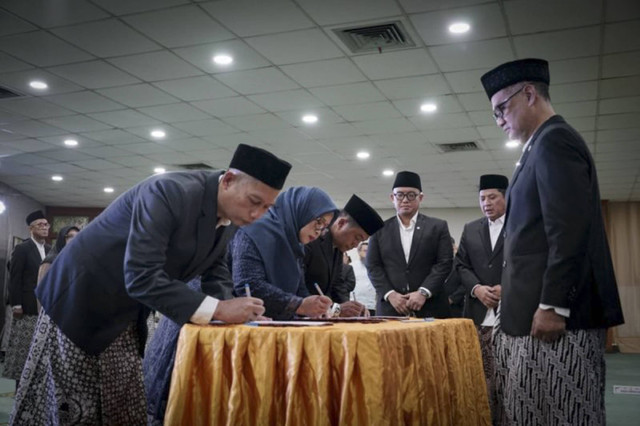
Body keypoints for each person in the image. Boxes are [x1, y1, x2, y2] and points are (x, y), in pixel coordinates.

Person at [10, 144, 292, 425]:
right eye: (254, 202)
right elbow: (141, 275)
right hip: (79, 302)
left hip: (126, 311)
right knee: (76, 405)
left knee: (124, 400)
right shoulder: (168, 191)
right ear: (228, 180)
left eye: (267, 207)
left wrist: (234, 315)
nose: (258, 215)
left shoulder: (230, 216)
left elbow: (215, 270)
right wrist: (219, 309)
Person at [480, 58, 624, 425]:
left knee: (561, 412)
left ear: (529, 93)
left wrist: (553, 305)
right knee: (530, 411)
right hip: (529, 315)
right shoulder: (535, 147)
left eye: (502, 109)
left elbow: (569, 231)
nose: (498, 120)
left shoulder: (555, 141)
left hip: (556, 320)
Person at [229, 186, 337, 320]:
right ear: (301, 209)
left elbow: (298, 287)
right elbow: (248, 283)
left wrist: (315, 306)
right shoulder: (255, 229)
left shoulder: (295, 244)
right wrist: (298, 305)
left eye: (324, 228)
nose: (318, 231)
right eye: (319, 222)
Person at [455, 174, 508, 420]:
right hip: (477, 314)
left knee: (508, 377)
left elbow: (530, 264)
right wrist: (476, 288)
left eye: (492, 197)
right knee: (480, 377)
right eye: (482, 198)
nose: (486, 203)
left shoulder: (521, 223)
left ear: (506, 197)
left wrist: (506, 288)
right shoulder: (471, 228)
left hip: (511, 315)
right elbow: (461, 265)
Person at [366, 171, 452, 318]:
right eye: (400, 195)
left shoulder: (437, 227)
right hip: (391, 308)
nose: (405, 200)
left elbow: (444, 263)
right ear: (392, 198)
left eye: (411, 195)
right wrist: (390, 294)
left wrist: (423, 292)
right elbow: (373, 266)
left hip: (430, 306)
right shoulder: (379, 229)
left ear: (421, 197)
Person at [303, 195, 384, 317]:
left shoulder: (337, 248)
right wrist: (337, 309)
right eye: (357, 238)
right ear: (341, 223)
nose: (355, 245)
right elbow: (298, 287)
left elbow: (337, 285)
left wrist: (352, 308)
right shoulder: (312, 239)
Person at [4, 211, 51, 386]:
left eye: (46, 224)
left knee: (41, 351)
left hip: (44, 307)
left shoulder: (49, 249)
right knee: (24, 352)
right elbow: (15, 278)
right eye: (40, 224)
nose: (45, 227)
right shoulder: (22, 249)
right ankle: (20, 389)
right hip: (26, 308)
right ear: (30, 228)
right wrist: (16, 305)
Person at [351, 241, 376, 315]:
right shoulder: (352, 266)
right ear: (359, 252)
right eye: (365, 251)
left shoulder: (375, 268)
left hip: (371, 305)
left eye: (369, 251)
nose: (367, 253)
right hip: (356, 305)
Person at [443, 237, 464, 318]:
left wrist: (452, 299)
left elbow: (465, 285)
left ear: (453, 247)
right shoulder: (435, 264)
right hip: (437, 307)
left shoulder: (460, 263)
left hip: (456, 307)